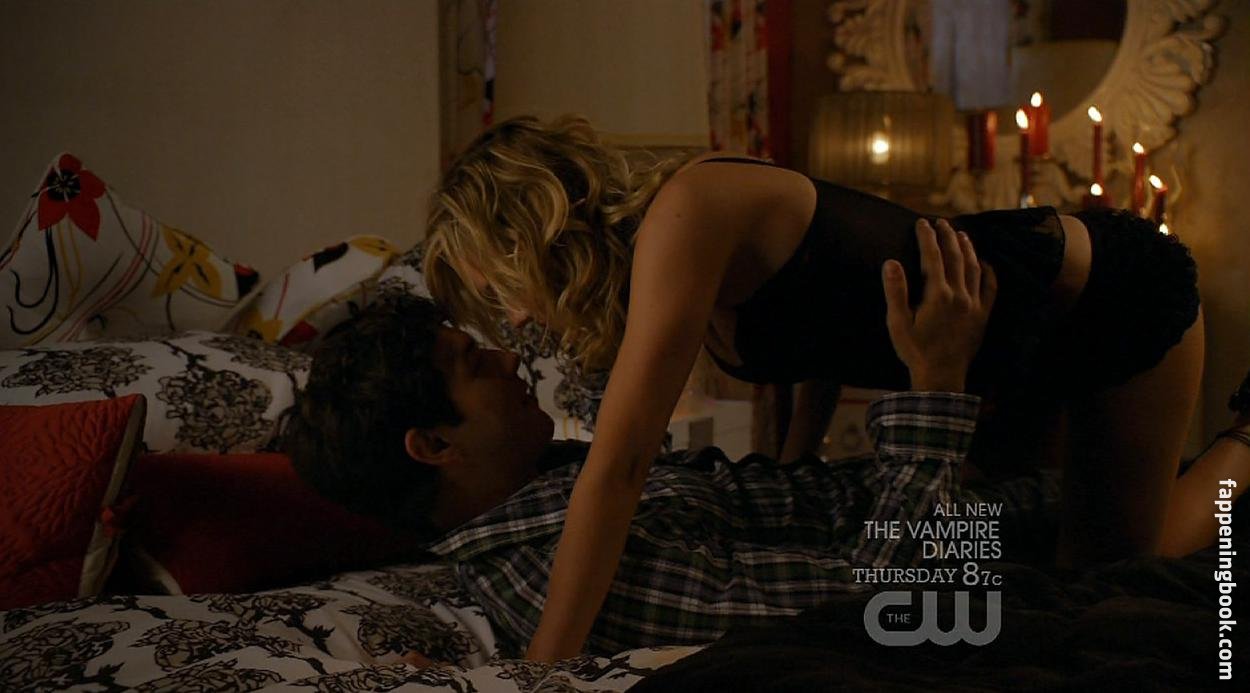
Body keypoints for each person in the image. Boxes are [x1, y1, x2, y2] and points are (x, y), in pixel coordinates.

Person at [419, 115, 1206, 661]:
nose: (512, 314)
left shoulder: (685, 215)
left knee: (1111, 580)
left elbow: (618, 469)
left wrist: (541, 671)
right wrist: (799, 457)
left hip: (1101, 297)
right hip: (991, 359)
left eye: (496, 286)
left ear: (523, 231)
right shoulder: (654, 259)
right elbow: (825, 326)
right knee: (1055, 575)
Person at [283, 243, 1249, 660]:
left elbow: (772, 523)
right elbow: (877, 603)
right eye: (470, 364)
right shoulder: (548, 569)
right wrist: (935, 388)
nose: (504, 358)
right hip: (992, 571)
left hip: (974, 513)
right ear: (433, 444)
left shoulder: (555, 485)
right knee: (1178, 511)